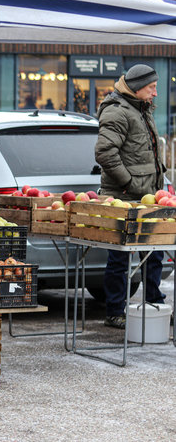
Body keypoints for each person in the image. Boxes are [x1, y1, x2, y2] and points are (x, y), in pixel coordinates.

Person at [95, 64, 166, 329]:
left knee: (153, 253)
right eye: (152, 87)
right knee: (120, 257)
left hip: (148, 197)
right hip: (124, 198)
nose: (155, 93)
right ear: (137, 88)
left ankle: (153, 303)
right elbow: (104, 153)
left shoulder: (141, 108)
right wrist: (130, 183)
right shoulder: (117, 111)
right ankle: (115, 311)